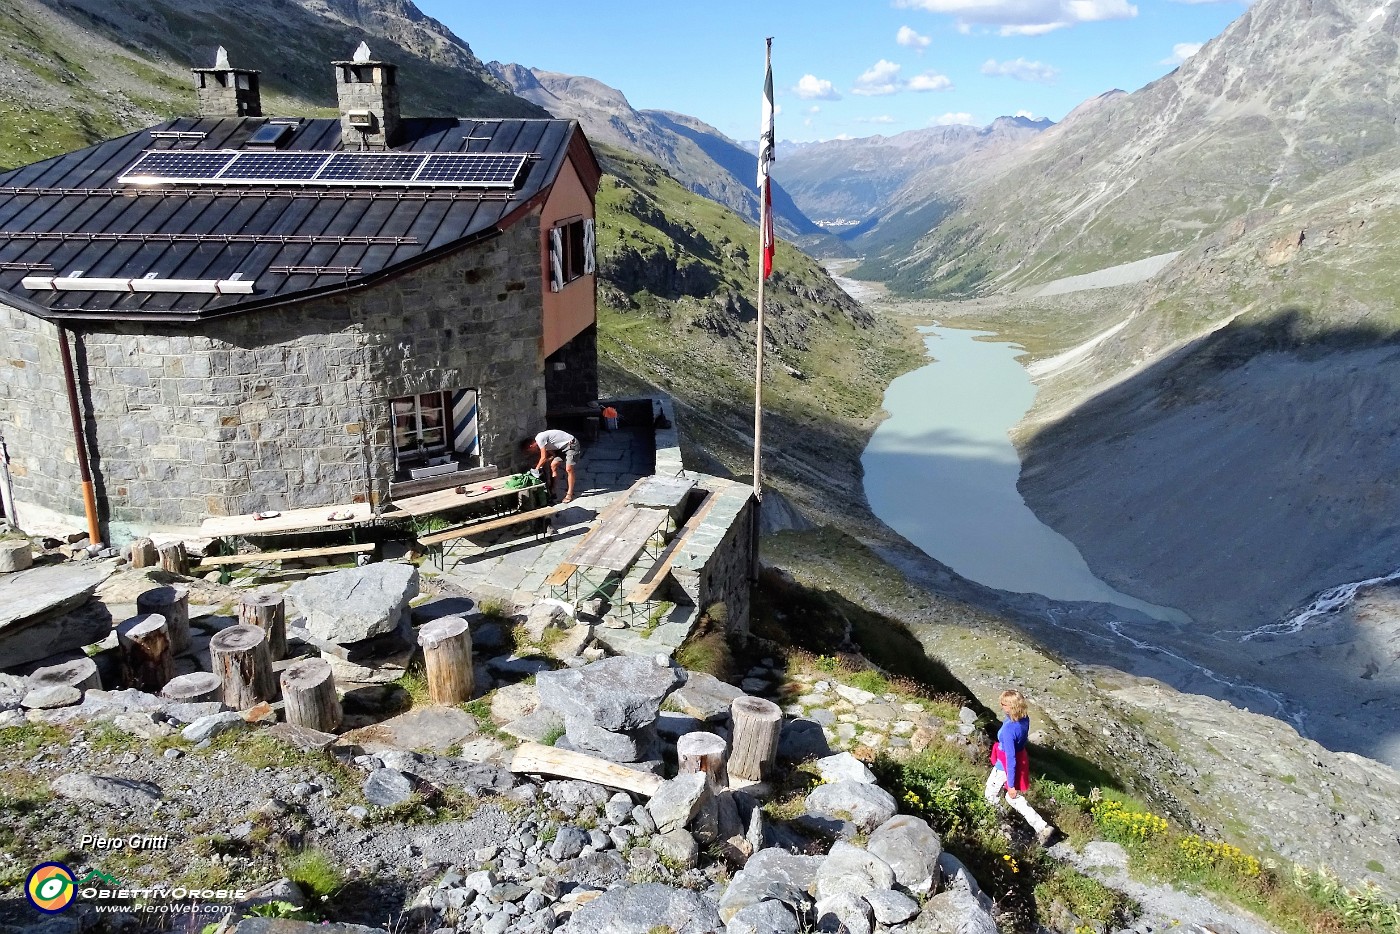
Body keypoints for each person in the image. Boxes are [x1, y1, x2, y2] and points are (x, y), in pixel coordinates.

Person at [985, 688, 1058, 846]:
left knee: (992, 794)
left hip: (1003, 765)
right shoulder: (1023, 719)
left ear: (1012, 706)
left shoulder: (1009, 731)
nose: (1001, 706)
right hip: (1019, 757)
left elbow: (1010, 759)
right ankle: (1042, 827)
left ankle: (1001, 823)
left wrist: (1011, 785)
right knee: (1010, 798)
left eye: (1004, 704)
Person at [521, 429, 580, 503]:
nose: (531, 453)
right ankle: (553, 489)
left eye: (529, 451)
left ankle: (569, 494)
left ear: (531, 446)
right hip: (562, 448)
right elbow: (552, 455)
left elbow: (543, 457)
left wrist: (536, 469)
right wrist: (541, 464)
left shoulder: (540, 439)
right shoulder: (543, 444)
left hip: (571, 445)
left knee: (569, 469)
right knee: (553, 465)